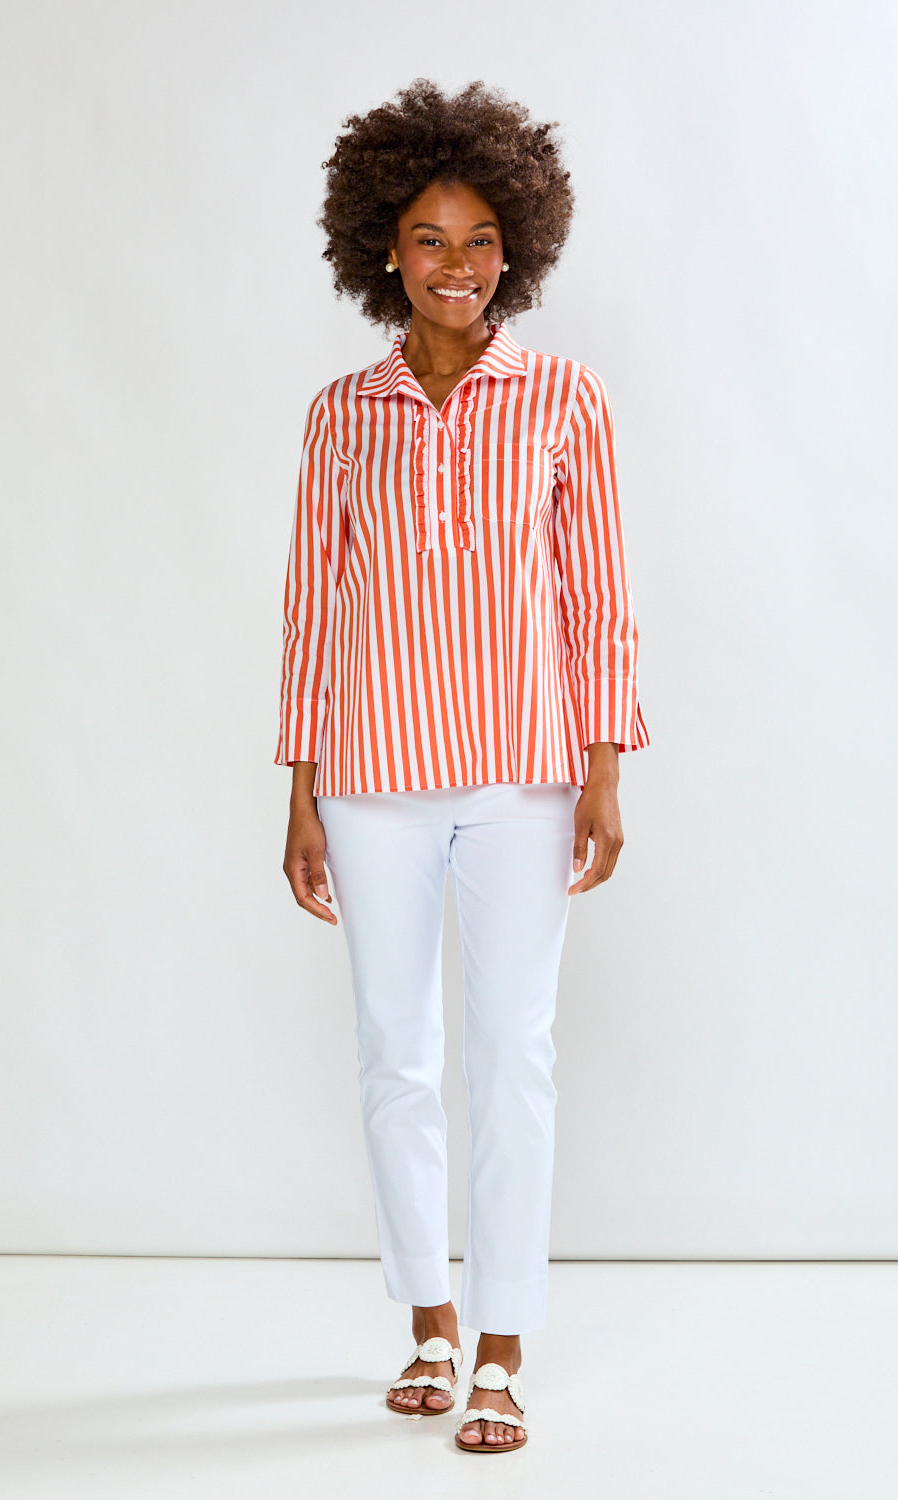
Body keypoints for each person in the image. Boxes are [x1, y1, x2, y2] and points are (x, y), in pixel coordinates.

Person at [276, 78, 649, 1454]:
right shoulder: (342, 414)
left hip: (521, 776)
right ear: (384, 246)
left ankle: (502, 1342)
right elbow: (312, 611)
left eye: (481, 238)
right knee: (396, 1054)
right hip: (369, 773)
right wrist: (300, 791)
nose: (456, 263)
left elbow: (597, 599)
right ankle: (427, 1320)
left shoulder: (561, 399)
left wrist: (603, 772)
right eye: (430, 238)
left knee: (513, 1056)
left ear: (516, 250)